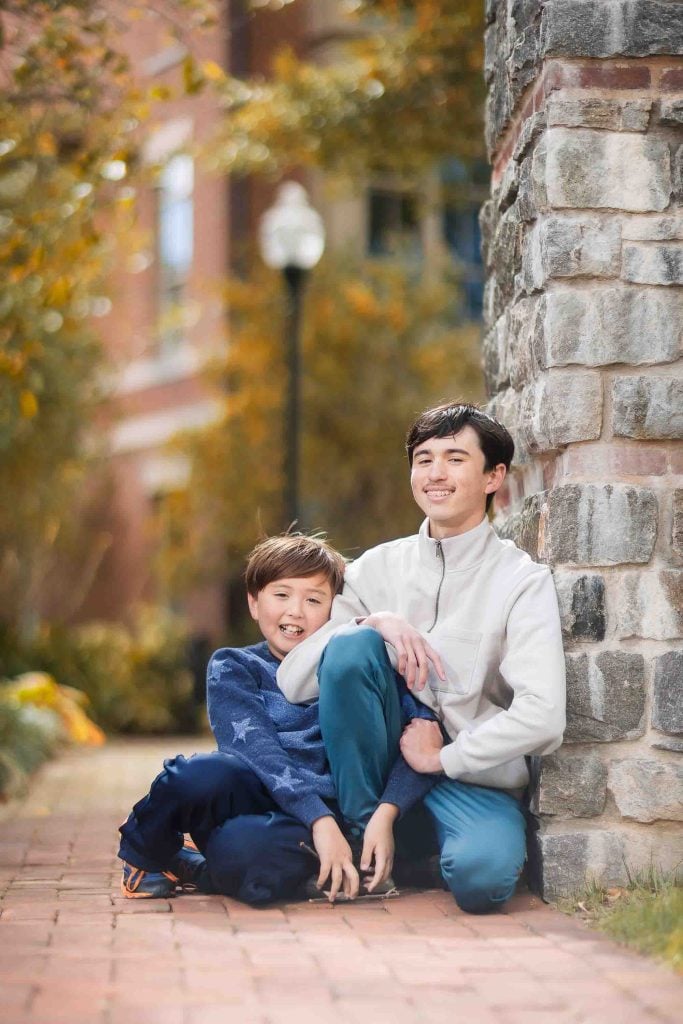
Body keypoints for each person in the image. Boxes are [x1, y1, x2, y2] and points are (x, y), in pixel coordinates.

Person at [277, 402, 566, 914]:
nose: (435, 474)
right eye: (423, 458)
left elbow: (544, 716)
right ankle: (367, 838)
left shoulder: (521, 581)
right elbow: (296, 680)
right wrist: (375, 622)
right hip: (374, 778)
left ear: (494, 476)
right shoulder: (374, 569)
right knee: (349, 645)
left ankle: (415, 853)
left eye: (455, 459)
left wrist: (443, 758)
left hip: (465, 778)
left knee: (483, 880)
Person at [118, 533, 437, 906]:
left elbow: (422, 738)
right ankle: (146, 855)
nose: (295, 612)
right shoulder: (235, 666)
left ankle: (206, 867)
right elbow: (255, 750)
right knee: (197, 775)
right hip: (269, 798)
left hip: (322, 818)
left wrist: (385, 811)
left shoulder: (359, 663)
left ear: (336, 610)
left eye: (314, 599)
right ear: (254, 603)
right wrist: (319, 821)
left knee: (245, 851)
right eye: (281, 595)